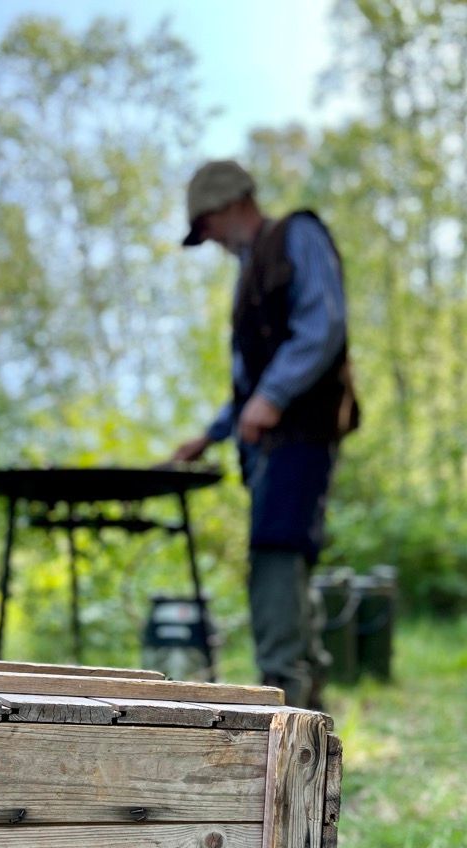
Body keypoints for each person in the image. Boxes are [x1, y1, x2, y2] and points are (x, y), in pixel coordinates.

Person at [172, 159, 359, 707]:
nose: (208, 238)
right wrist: (211, 435)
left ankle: (286, 706)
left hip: (302, 437)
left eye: (206, 224)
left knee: (277, 557)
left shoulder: (297, 235)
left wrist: (272, 398)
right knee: (288, 564)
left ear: (230, 202)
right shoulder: (250, 268)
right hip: (271, 449)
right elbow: (247, 387)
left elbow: (324, 324)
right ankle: (310, 707)